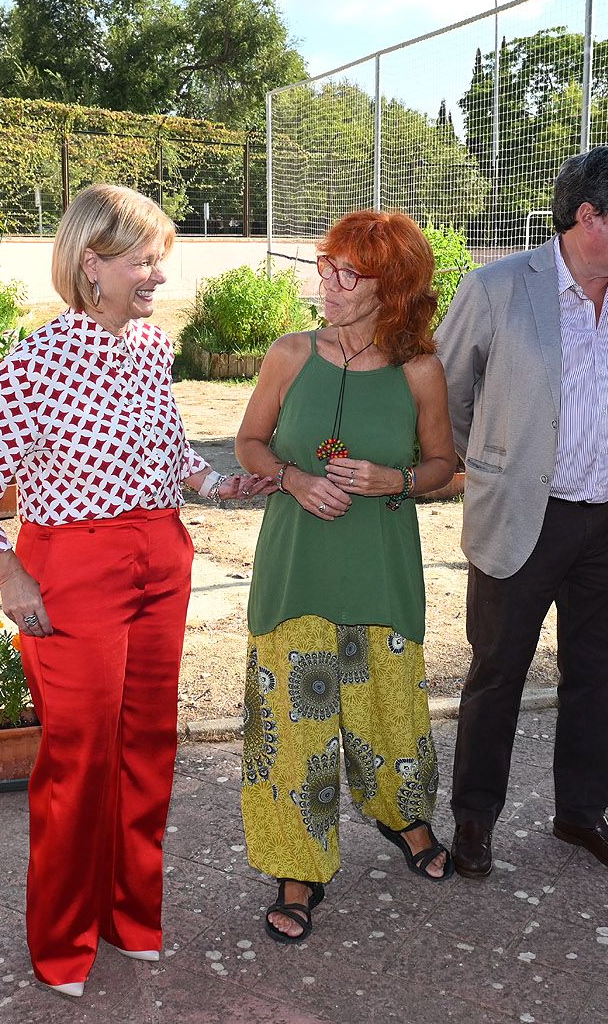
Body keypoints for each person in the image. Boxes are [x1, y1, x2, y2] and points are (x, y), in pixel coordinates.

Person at [0, 183, 270, 998]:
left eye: (161, 258)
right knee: (78, 758)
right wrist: (9, 573)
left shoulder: (153, 350)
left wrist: (227, 486)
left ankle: (131, 914)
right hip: (75, 570)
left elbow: (171, 457)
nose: (159, 274)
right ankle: (62, 940)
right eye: (144, 259)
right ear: (94, 264)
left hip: (161, 556)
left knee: (149, 743)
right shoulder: (36, 362)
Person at [438, 145, 608, 881]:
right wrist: (491, 463)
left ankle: (581, 813)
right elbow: (446, 392)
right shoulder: (500, 286)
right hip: (524, 514)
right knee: (498, 670)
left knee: (601, 672)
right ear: (587, 215)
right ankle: (474, 820)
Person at [233, 210, 458, 943]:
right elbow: (249, 442)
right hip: (297, 572)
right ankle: (299, 867)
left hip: (381, 574)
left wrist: (391, 477)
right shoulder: (290, 353)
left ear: (390, 286)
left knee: (388, 713)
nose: (326, 281)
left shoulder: (420, 368)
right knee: (295, 731)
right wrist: (293, 478)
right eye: (325, 265)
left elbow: (444, 469)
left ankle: (406, 819)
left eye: (347, 272)